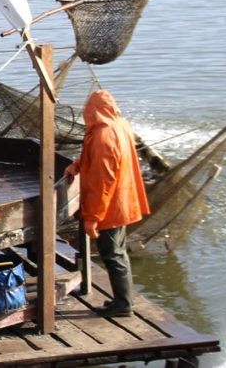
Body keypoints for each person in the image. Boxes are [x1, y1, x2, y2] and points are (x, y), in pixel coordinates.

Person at [64, 90, 150, 318]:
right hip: (123, 200)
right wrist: (78, 165)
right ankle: (123, 299)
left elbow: (103, 182)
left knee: (113, 255)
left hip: (111, 207)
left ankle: (123, 305)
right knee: (118, 252)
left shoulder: (103, 136)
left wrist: (93, 218)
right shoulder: (120, 125)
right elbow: (100, 159)